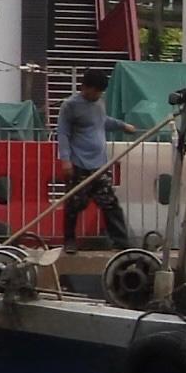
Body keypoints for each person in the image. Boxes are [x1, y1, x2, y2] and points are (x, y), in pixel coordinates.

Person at [55, 68, 128, 245]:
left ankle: (121, 241)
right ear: (85, 87)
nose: (97, 95)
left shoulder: (99, 103)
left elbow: (102, 121)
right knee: (74, 203)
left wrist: (122, 126)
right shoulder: (70, 106)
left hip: (100, 164)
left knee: (110, 202)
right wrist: (65, 160)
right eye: (96, 91)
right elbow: (63, 133)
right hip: (79, 163)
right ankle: (70, 240)